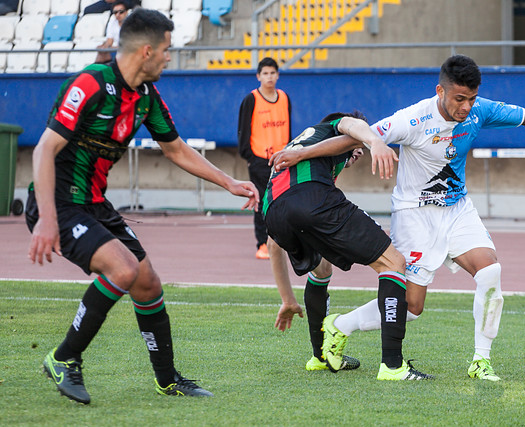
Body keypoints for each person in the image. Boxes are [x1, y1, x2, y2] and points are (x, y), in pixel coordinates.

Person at [270, 54, 525, 382]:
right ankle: (339, 326)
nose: (466, 107)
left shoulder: (480, 109)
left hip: (458, 210)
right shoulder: (413, 120)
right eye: (459, 99)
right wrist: (302, 153)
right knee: (411, 308)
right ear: (440, 90)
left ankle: (480, 361)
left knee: (490, 271)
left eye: (471, 98)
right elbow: (357, 136)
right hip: (415, 216)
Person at [26, 8, 259, 404]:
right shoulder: (90, 83)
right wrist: (47, 218)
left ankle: (167, 379)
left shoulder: (147, 96)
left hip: (96, 205)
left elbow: (176, 149)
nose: (170, 57)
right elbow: (45, 148)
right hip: (60, 204)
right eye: (167, 50)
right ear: (147, 51)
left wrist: (229, 182)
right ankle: (63, 357)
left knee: (147, 283)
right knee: (123, 268)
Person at [264, 111, 432, 381]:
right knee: (393, 263)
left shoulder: (297, 149)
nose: (359, 152)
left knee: (321, 269)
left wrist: (287, 298)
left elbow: (273, 244)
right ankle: (392, 366)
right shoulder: (329, 128)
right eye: (356, 147)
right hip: (311, 199)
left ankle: (320, 357)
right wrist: (374, 141)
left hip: (272, 212)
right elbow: (351, 124)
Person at [237, 57, 291, 260]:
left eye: (272, 73)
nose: (269, 77)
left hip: (282, 159)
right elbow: (243, 130)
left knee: (283, 201)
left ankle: (281, 241)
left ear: (278, 75)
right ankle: (262, 243)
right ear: (258, 76)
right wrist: (249, 156)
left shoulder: (284, 98)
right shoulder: (251, 99)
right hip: (260, 159)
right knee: (261, 202)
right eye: (265, 73)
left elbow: (287, 127)